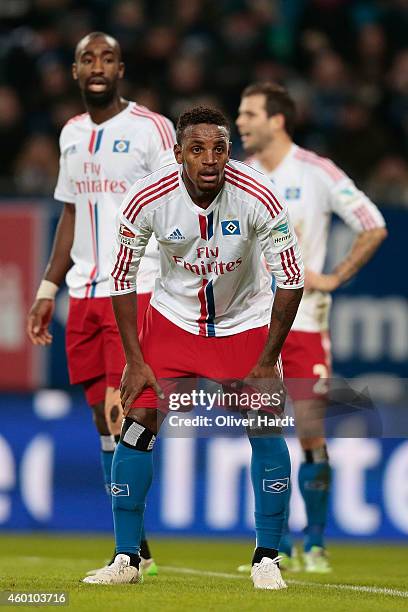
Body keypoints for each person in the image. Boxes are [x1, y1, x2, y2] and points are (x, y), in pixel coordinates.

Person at [83, 106, 304, 589]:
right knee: (139, 423)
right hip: (173, 323)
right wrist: (134, 360)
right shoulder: (147, 197)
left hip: (244, 324)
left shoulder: (259, 196)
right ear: (179, 153)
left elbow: (292, 279)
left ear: (230, 153)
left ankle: (267, 558)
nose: (209, 159)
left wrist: (268, 361)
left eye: (219, 149)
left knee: (265, 423)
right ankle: (127, 558)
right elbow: (120, 277)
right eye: (197, 149)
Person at [26, 31, 176, 576]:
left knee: (126, 411)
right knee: (105, 425)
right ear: (73, 71)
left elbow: (176, 204)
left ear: (121, 69)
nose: (97, 66)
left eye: (107, 58)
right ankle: (137, 544)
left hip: (133, 290)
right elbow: (69, 214)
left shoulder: (151, 130)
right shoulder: (69, 134)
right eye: (88, 58)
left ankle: (126, 556)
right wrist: (48, 288)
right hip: (82, 295)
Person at [236, 82, 387, 572]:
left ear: (276, 120)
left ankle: (316, 543)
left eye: (249, 113)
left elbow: (373, 223)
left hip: (303, 324)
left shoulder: (318, 172)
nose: (240, 122)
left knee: (309, 430)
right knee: (263, 431)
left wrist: (337, 276)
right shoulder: (240, 175)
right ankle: (271, 549)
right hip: (254, 324)